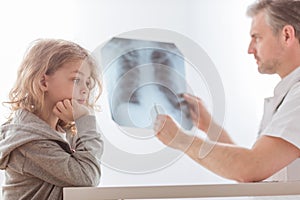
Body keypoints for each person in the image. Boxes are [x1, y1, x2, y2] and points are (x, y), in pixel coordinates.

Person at [154, 0, 300, 183]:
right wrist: (209, 126)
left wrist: (181, 140)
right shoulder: (290, 94)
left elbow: (250, 168)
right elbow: (254, 170)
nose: (250, 49)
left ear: (287, 35)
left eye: (257, 37)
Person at [0, 39, 104, 199]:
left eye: (88, 83)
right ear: (43, 82)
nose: (85, 90)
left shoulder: (64, 132)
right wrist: (85, 120)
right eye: (76, 80)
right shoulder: (29, 142)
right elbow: (87, 177)